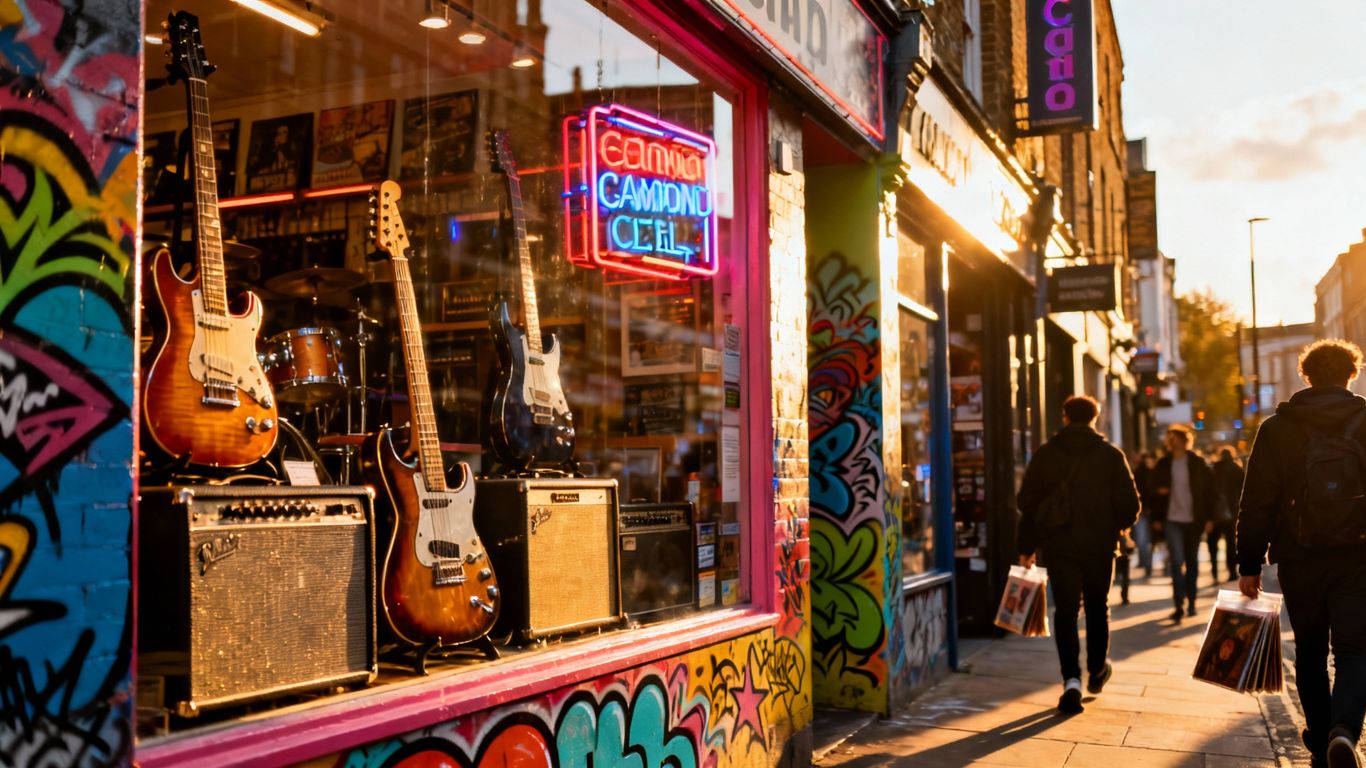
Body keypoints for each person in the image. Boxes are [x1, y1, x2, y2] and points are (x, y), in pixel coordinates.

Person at [1239, 339, 1366, 767]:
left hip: (1299, 555)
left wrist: (1248, 563)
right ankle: (1344, 731)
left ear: (1305, 375)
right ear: (1352, 373)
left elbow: (1257, 499)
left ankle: (1319, 739)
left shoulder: (1278, 428)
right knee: (1356, 649)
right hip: (1358, 556)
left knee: (1309, 651)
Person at [1017, 395, 1140, 714]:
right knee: (1098, 607)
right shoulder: (1111, 456)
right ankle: (1097, 670)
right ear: (1095, 418)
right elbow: (1131, 507)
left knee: (1067, 611)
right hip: (1100, 547)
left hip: (1059, 547)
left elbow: (1027, 503)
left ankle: (1071, 681)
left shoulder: (1046, 455)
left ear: (1065, 416)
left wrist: (1026, 548)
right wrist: (1113, 525)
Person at [1149, 424, 1215, 622]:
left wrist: (1210, 518)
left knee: (1192, 561)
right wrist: (1157, 516)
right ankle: (1179, 604)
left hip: (1194, 520)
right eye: (1169, 436)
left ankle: (1192, 601)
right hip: (1172, 520)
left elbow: (1209, 492)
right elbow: (1151, 489)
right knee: (1176, 562)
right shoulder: (1163, 463)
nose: (1171, 440)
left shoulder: (1197, 462)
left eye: (1174, 436)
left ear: (1183, 439)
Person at [1209, 446, 1245, 582]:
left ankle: (1214, 571)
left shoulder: (1213, 470)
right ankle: (1232, 571)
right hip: (1233, 512)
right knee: (1231, 544)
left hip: (1214, 513)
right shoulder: (1238, 471)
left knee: (1213, 543)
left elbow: (1207, 493)